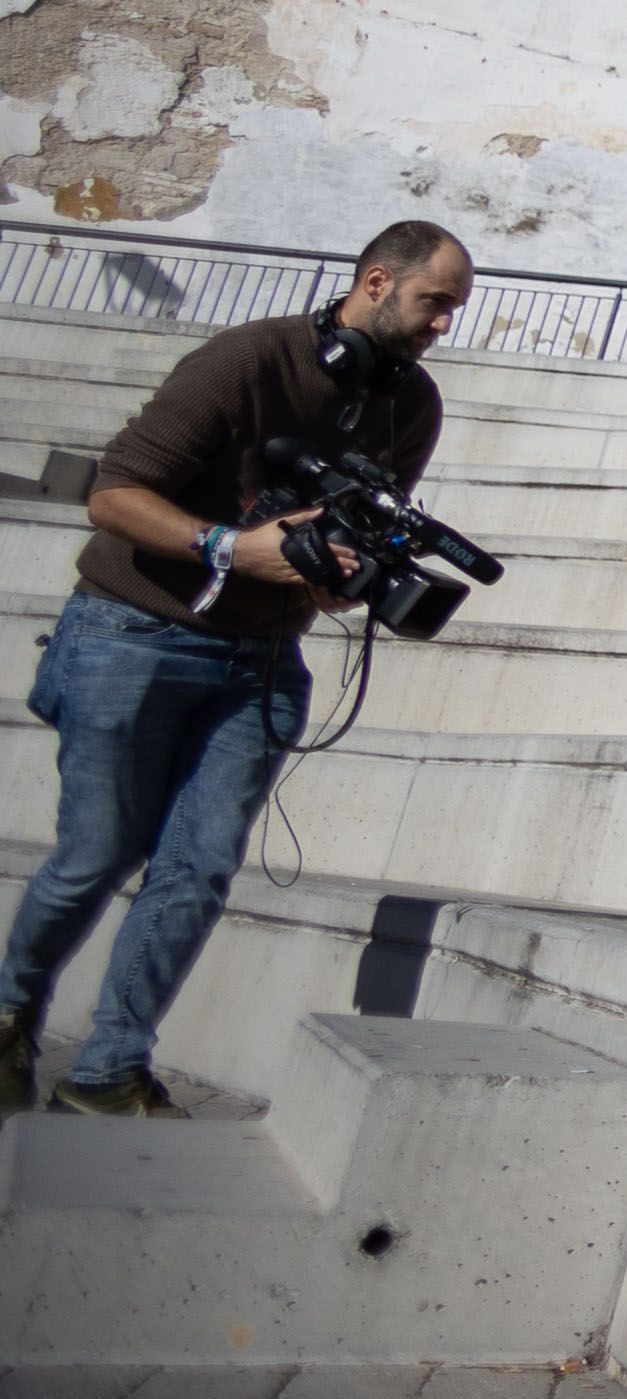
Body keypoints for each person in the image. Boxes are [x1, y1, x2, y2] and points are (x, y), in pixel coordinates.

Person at [7, 223, 474, 1114]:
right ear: (376, 282)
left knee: (199, 868)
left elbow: (350, 541)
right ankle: (8, 1014)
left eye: (454, 307)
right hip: (133, 630)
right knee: (97, 853)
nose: (444, 324)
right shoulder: (246, 359)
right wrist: (228, 546)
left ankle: (108, 1071)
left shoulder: (411, 405)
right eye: (434, 302)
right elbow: (111, 494)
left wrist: (343, 576)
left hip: (259, 657)